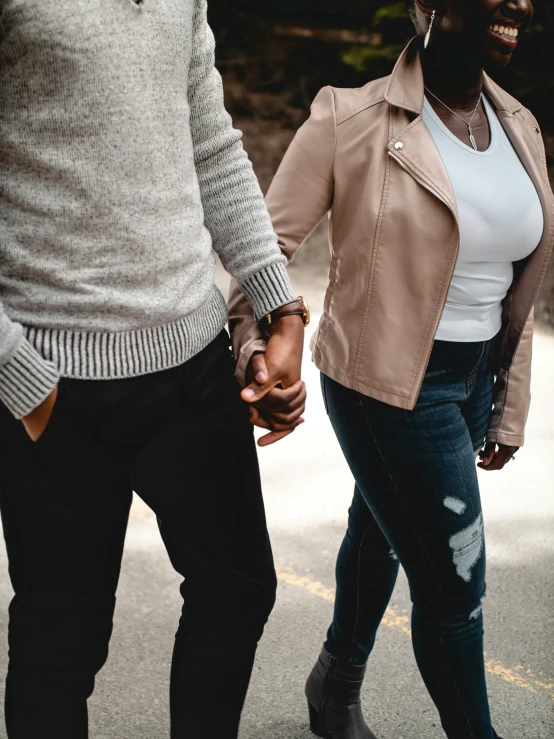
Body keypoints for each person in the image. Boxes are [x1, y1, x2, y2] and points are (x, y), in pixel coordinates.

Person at [229, 1, 553, 737]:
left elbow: (513, 284)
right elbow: (262, 251)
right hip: (386, 389)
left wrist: (508, 403)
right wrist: (257, 348)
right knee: (455, 585)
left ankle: (334, 684)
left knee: (379, 528)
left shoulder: (519, 126)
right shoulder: (351, 118)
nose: (521, 4)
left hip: (474, 382)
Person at [0, 1, 308, 737]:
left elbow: (209, 139)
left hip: (195, 364)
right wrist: (19, 374)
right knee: (59, 649)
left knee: (237, 592)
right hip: (53, 382)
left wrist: (279, 306)